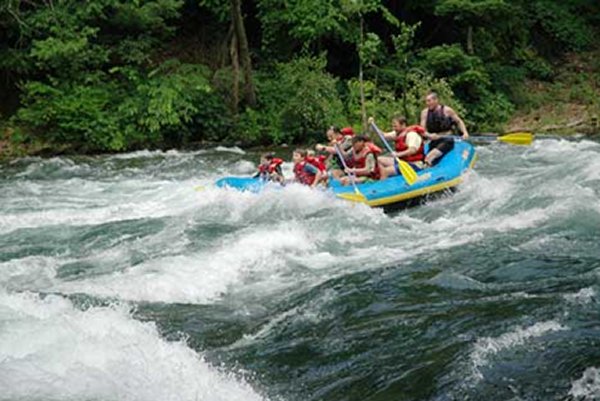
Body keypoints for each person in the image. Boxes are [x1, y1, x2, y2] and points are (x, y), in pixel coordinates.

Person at [420, 91, 469, 167]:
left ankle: (427, 172)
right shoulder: (424, 113)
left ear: (436, 100)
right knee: (424, 159)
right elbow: (422, 130)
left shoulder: (447, 110)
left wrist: (465, 132)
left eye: (429, 101)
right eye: (426, 101)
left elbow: (459, 121)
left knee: (429, 157)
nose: (427, 103)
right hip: (434, 140)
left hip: (446, 140)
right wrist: (429, 135)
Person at [375, 115, 427, 180]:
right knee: (379, 159)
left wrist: (398, 154)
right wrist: (374, 127)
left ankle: (383, 186)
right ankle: (385, 177)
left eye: (395, 126)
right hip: (402, 161)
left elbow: (412, 150)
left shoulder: (411, 134)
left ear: (403, 125)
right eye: (393, 126)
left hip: (415, 164)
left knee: (386, 171)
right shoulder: (398, 133)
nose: (394, 128)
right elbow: (384, 136)